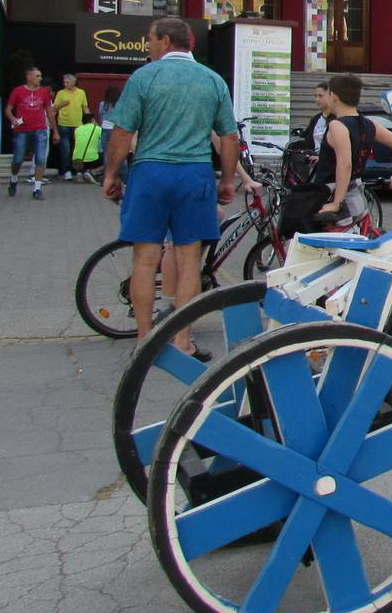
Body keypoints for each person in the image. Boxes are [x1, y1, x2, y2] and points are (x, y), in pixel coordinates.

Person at [101, 17, 238, 358]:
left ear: (164, 41)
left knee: (145, 259)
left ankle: (144, 341)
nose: (148, 46)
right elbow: (229, 136)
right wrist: (226, 179)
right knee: (189, 260)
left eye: (150, 39)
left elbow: (122, 131)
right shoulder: (213, 80)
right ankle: (182, 341)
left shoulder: (144, 77)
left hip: (150, 172)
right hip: (194, 174)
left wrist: (111, 174)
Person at [312, 73, 392, 221]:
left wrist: (337, 203)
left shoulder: (337, 125)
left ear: (333, 96)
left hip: (333, 192)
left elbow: (345, 164)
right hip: (357, 192)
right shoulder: (369, 123)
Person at [4, 66, 59, 200]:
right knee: (18, 159)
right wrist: (13, 119)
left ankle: (37, 188)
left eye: (40, 76)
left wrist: (55, 131)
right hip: (22, 130)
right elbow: (8, 109)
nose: (40, 79)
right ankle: (14, 178)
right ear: (29, 77)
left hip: (40, 129)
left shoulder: (43, 92)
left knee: (40, 159)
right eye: (37, 76)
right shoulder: (18, 91)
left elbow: (49, 112)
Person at [54, 73, 90, 181]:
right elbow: (54, 107)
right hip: (63, 124)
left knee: (77, 150)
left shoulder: (81, 93)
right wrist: (62, 104)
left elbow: (85, 107)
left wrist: (90, 119)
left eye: (67, 82)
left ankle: (78, 171)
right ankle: (66, 171)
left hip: (78, 124)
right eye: (64, 82)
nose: (65, 84)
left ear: (74, 82)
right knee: (65, 150)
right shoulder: (61, 93)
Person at [98, 85, 127, 181]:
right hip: (116, 129)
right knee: (120, 153)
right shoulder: (121, 105)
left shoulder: (103, 104)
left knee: (107, 155)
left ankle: (106, 178)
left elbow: (101, 116)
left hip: (105, 128)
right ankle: (126, 177)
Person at [72, 113, 102, 184]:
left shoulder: (77, 129)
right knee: (107, 160)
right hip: (91, 160)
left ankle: (80, 172)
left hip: (76, 160)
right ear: (92, 120)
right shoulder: (97, 128)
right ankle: (92, 172)